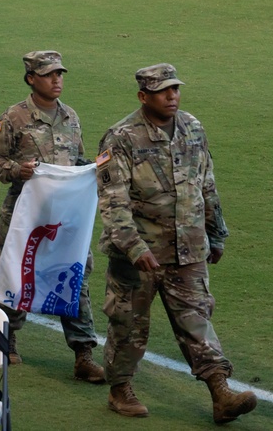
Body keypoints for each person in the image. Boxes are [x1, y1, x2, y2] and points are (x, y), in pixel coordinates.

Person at [96, 64, 257, 423]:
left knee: (197, 320)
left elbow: (207, 184)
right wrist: (135, 248)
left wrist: (216, 232)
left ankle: (220, 393)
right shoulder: (120, 137)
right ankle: (119, 389)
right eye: (163, 91)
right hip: (139, 255)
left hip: (189, 249)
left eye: (175, 89)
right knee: (128, 325)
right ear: (143, 96)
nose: (172, 96)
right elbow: (113, 202)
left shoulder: (193, 127)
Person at [0, 51, 103, 381]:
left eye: (60, 74)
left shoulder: (71, 117)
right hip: (25, 214)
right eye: (49, 74)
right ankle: (5, 339)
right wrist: (16, 170)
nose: (57, 80)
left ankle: (83, 353)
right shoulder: (14, 118)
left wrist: (96, 172)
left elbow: (79, 162)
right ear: (31, 79)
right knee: (17, 274)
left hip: (65, 217)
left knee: (74, 277)